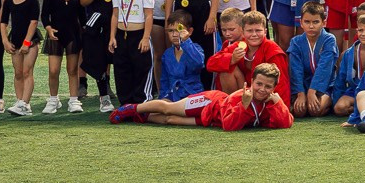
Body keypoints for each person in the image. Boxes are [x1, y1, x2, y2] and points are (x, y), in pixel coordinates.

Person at [117, 62, 293, 130]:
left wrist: (279, 104)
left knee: (170, 120)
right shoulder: (240, 96)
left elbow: (285, 124)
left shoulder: (271, 101)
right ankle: (132, 108)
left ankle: (142, 117)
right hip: (209, 102)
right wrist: (244, 105)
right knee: (169, 108)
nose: (262, 89)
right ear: (252, 81)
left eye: (268, 86)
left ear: (274, 87)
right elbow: (229, 125)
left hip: (210, 120)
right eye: (259, 84)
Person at [107, 0, 157, 108]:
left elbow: (148, 16)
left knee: (141, 69)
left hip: (139, 36)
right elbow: (115, 15)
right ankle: (125, 104)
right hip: (122, 36)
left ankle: (142, 104)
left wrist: (145, 38)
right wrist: (112, 36)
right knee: (122, 69)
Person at [207, 10, 289, 96]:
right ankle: (231, 104)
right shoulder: (239, 46)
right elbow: (210, 64)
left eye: (258, 30)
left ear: (265, 32)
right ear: (243, 32)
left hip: (264, 94)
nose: (254, 34)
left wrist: (277, 104)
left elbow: (281, 85)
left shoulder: (273, 51)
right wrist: (231, 59)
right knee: (226, 70)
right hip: (243, 93)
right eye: (249, 31)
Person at [0, 0, 41, 115]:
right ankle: (19, 101)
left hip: (30, 41)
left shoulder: (33, 0)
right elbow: (3, 22)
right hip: (15, 40)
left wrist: (26, 42)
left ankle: (25, 103)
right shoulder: (9, 1)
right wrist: (5, 41)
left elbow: (33, 22)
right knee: (18, 73)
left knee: (27, 72)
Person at [286, 2, 340, 119]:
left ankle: (329, 100)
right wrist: (300, 93)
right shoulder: (296, 42)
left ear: (323, 23)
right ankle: (303, 97)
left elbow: (324, 68)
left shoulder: (329, 39)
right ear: (301, 23)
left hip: (326, 85)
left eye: (315, 22)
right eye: (307, 22)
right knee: (299, 112)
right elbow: (295, 69)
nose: (311, 26)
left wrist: (312, 91)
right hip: (304, 84)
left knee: (315, 110)